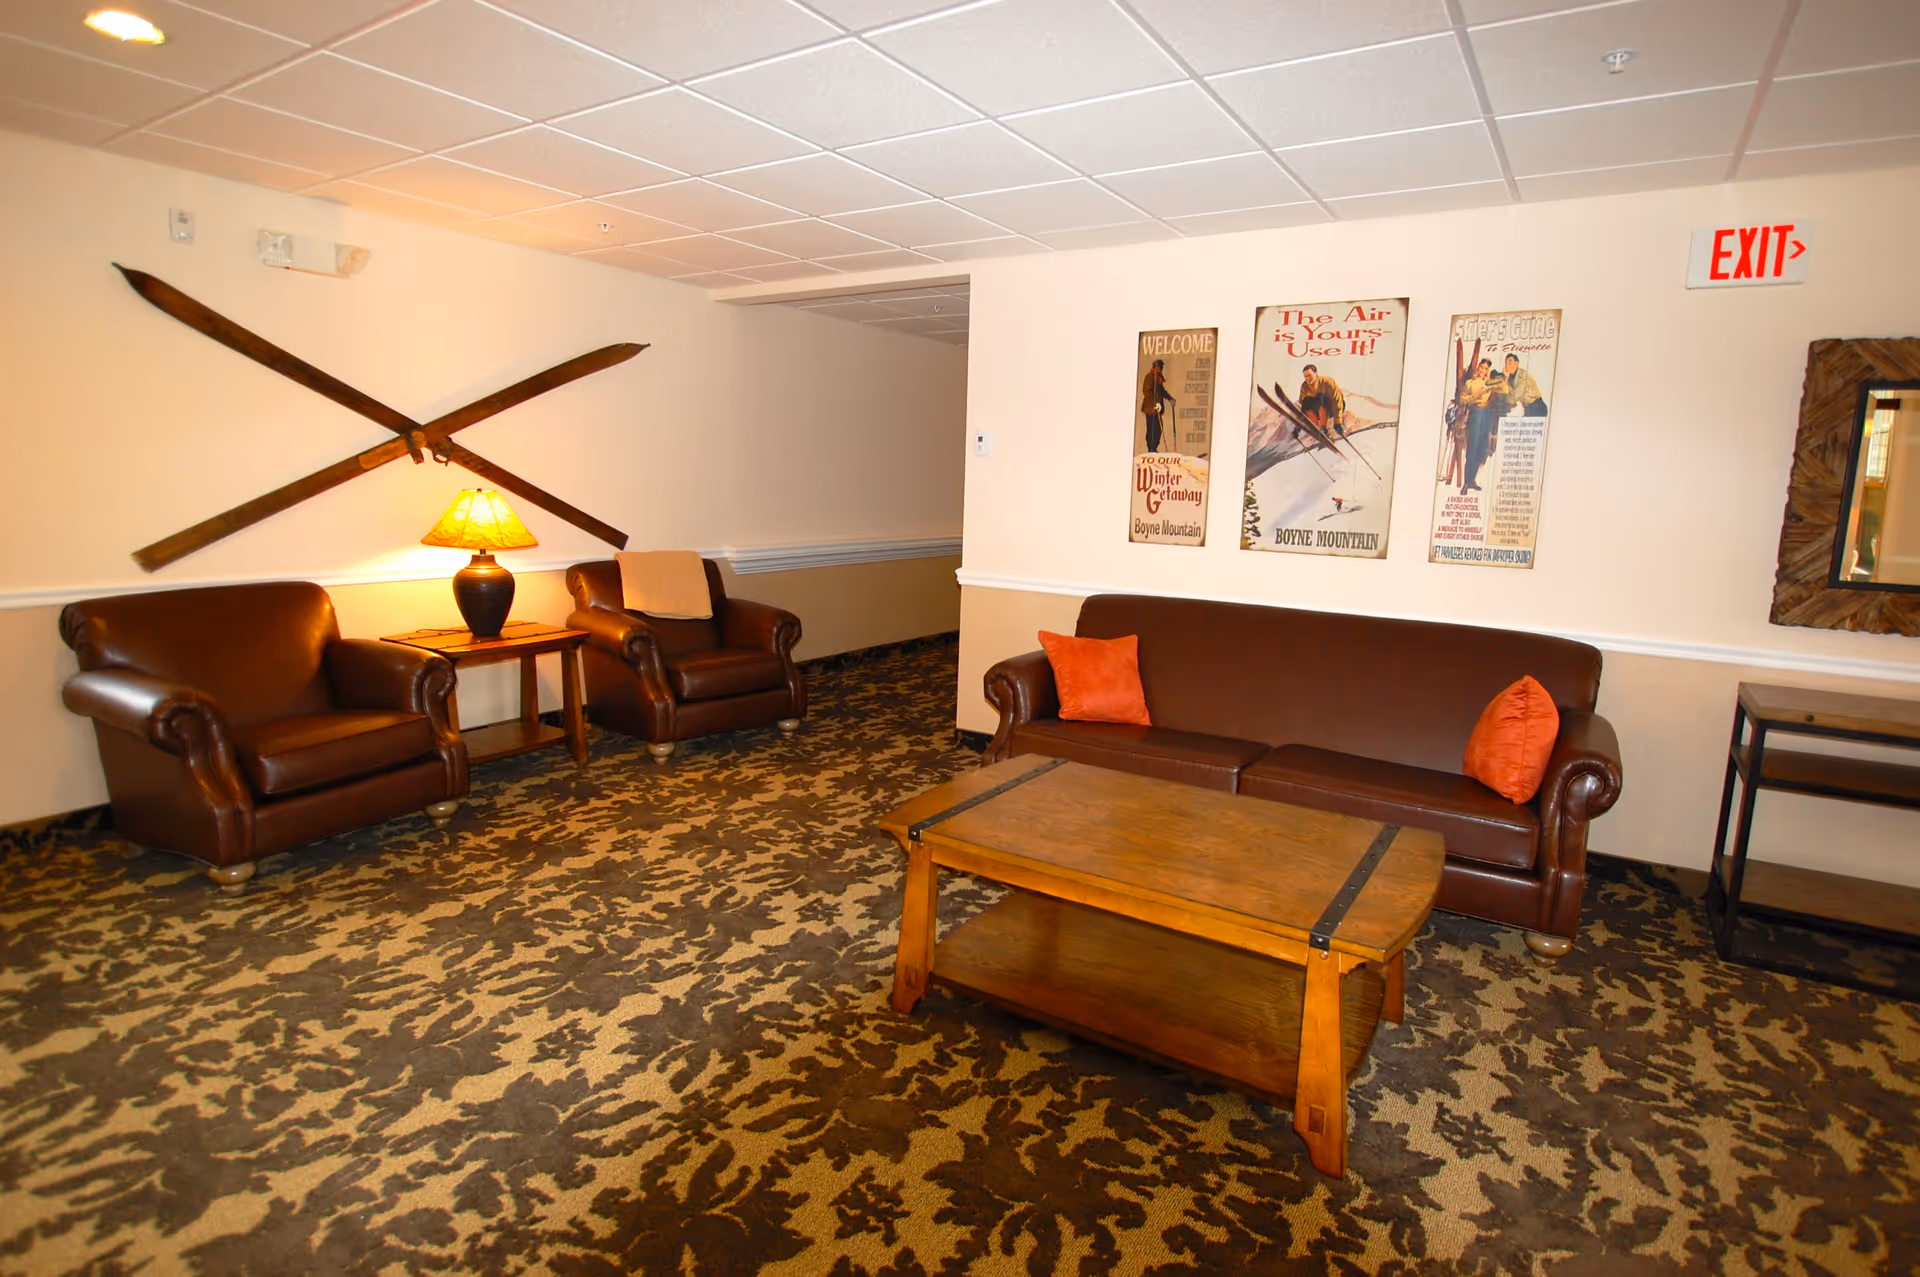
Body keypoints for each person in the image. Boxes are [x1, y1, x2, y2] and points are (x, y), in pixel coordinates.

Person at [1461, 358, 1499, 492]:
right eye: (1482, 367)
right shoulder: (1470, 383)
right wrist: (1477, 395)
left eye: (1486, 369)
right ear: (1478, 368)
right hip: (1476, 413)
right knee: (1472, 447)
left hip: (1486, 413)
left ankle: (1472, 480)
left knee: (1481, 448)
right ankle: (1466, 482)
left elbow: (1503, 387)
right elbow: (1463, 398)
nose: (1483, 370)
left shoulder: (1489, 383)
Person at [1298, 365, 1347, 437]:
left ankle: (1324, 428)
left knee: (1321, 396)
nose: (1307, 378)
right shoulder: (1304, 386)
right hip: (1317, 411)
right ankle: (1317, 429)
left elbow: (1337, 401)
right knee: (1306, 401)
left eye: (1309, 375)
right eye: (1305, 376)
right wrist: (1298, 427)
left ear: (1316, 373)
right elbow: (1303, 406)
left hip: (1333, 407)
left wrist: (1337, 422)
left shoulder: (1327, 382)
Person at [1140, 358, 1174, 453]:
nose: (1161, 369)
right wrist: (1155, 403)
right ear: (1157, 367)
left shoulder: (1157, 378)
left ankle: (1153, 448)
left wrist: (1170, 398)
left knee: (1157, 428)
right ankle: (1151, 449)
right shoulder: (1150, 377)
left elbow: (1162, 391)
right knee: (1152, 429)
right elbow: (1146, 391)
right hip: (1150, 408)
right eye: (1160, 367)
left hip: (1156, 409)